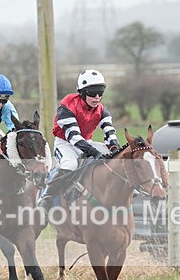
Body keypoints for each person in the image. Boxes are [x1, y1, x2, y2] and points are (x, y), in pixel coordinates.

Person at [38, 69, 120, 206]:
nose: (97, 97)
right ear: (82, 92)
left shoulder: (101, 109)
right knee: (70, 165)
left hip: (86, 142)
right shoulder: (67, 105)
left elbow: (110, 132)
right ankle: (46, 197)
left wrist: (114, 147)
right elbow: (74, 137)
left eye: (100, 92)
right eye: (92, 93)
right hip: (66, 144)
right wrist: (93, 152)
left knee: (116, 158)